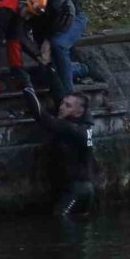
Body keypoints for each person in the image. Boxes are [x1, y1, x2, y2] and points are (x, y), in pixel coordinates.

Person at [22, 87, 95, 217]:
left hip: (75, 190)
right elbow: (57, 89)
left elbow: (41, 116)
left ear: (78, 112)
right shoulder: (84, 126)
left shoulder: (70, 128)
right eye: (62, 103)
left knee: (62, 219)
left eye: (68, 106)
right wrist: (48, 68)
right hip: (84, 188)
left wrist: (27, 89)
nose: (61, 107)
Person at [16, 0, 90, 94]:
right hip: (43, 26)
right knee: (47, 66)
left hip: (71, 18)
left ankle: (68, 94)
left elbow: (67, 14)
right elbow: (19, 33)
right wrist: (37, 53)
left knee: (58, 44)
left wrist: (49, 40)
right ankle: (79, 69)